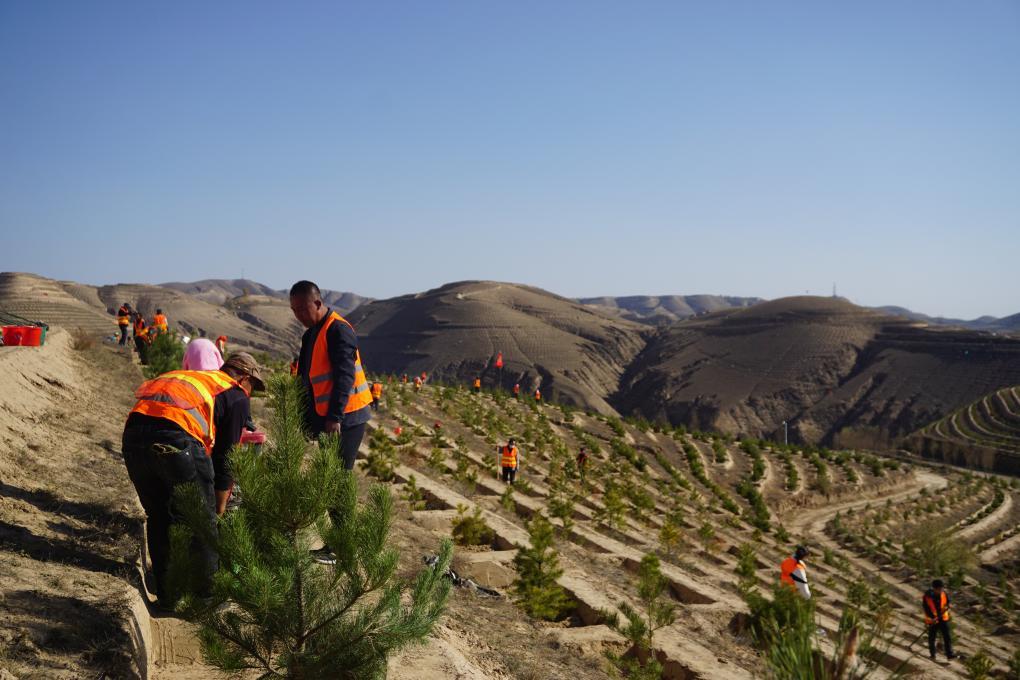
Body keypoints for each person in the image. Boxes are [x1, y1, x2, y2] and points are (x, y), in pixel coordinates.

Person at [121, 352, 264, 604]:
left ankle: (168, 594)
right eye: (253, 387)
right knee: (202, 522)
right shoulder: (236, 394)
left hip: (133, 438)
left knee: (160, 516)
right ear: (244, 378)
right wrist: (219, 503)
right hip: (177, 440)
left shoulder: (192, 378)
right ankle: (205, 599)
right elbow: (226, 455)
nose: (251, 394)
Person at [289, 280, 372, 464]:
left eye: (302, 309)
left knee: (339, 474)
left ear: (318, 304)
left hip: (347, 417)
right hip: (328, 418)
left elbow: (345, 377)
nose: (298, 315)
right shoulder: (310, 334)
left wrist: (335, 417)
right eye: (294, 310)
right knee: (328, 473)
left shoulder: (338, 330)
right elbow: (305, 378)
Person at [923, 579, 956, 662]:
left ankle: (950, 655)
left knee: (947, 636)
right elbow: (926, 608)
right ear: (933, 588)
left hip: (943, 618)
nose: (940, 590)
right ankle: (932, 655)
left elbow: (947, 603)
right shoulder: (927, 596)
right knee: (932, 637)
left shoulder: (944, 594)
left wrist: (948, 607)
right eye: (938, 589)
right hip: (932, 619)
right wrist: (932, 617)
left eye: (941, 588)